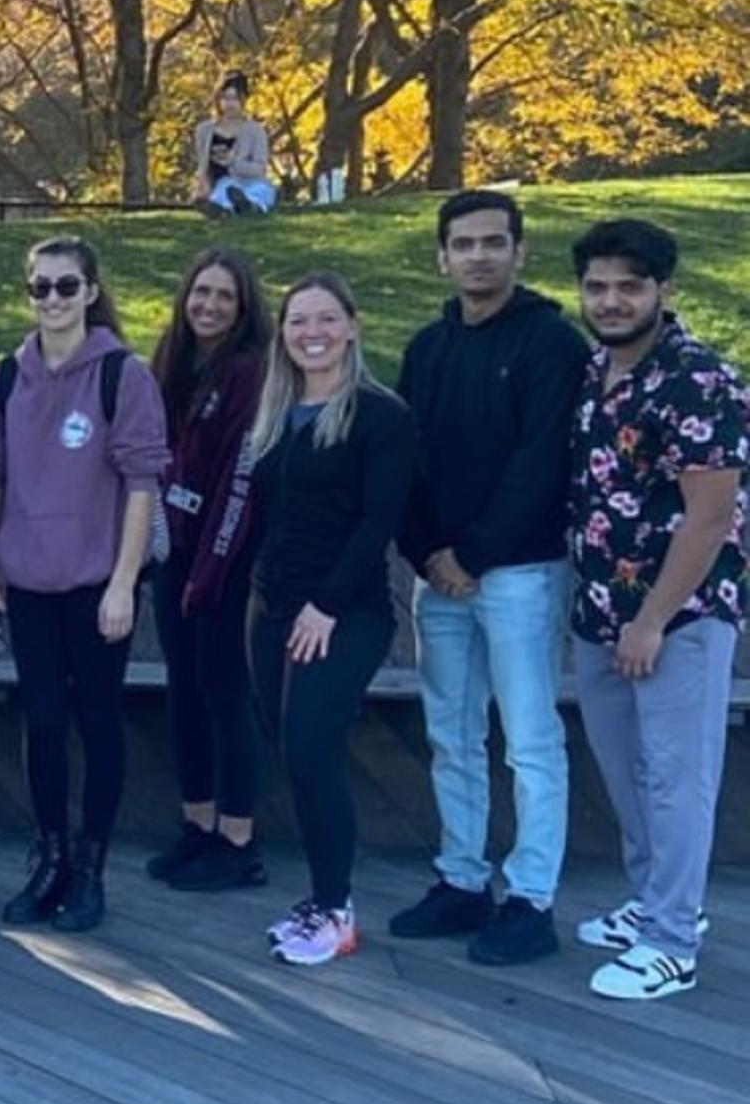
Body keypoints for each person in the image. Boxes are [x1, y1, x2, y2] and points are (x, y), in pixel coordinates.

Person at [391, 190, 590, 965]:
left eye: (492, 242)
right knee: (451, 732)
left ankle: (531, 897)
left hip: (519, 574)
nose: (478, 254)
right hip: (437, 578)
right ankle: (462, 877)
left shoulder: (550, 344)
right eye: (463, 243)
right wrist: (427, 553)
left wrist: (471, 555)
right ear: (443, 255)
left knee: (531, 739)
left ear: (518, 251)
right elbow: (403, 457)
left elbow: (540, 465)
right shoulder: (427, 347)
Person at [565, 217, 748, 1002]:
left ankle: (674, 938)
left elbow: (712, 517)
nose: (611, 300)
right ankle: (651, 901)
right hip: (599, 611)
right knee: (626, 770)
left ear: (662, 291)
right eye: (598, 286)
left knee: (678, 777)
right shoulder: (593, 371)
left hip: (678, 618)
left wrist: (652, 620)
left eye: (629, 286)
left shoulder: (701, 380)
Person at [0, 237, 166, 933]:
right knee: (44, 723)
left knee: (97, 719)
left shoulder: (121, 375)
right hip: (28, 578)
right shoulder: (4, 378)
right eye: (40, 287)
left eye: (66, 286)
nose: (52, 299)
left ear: (90, 290)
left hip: (96, 581)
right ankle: (50, 854)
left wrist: (124, 581)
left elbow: (143, 482)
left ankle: (91, 865)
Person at [245, 274, 420, 967]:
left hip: (343, 612)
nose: (310, 332)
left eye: (325, 318)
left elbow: (378, 521)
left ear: (352, 324)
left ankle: (338, 909)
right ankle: (320, 899)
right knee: (291, 748)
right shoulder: (274, 413)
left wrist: (326, 603)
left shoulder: (381, 416)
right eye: (296, 321)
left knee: (314, 748)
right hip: (272, 607)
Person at [144, 247, 272, 894]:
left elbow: (240, 478)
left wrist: (211, 568)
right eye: (201, 293)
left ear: (244, 305)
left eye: (225, 295)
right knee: (184, 691)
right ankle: (196, 824)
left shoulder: (251, 371)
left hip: (226, 558)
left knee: (224, 693)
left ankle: (237, 837)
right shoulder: (171, 357)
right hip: (175, 548)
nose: (210, 306)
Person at [189, 73, 275, 216]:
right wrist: (201, 188)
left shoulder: (256, 130)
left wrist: (233, 161)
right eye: (225, 98)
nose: (230, 104)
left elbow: (260, 169)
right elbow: (203, 167)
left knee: (260, 192)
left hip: (251, 182)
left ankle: (249, 206)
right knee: (224, 190)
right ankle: (221, 210)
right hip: (222, 184)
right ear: (218, 100)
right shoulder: (204, 130)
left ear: (244, 100)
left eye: (235, 99)